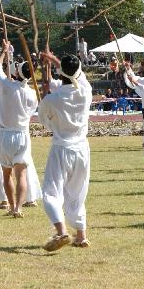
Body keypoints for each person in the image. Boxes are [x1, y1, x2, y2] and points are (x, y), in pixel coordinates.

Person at [37, 52, 92, 251]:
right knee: (77, 193)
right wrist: (54, 59)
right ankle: (81, 235)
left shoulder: (52, 99)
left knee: (51, 193)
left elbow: (44, 121)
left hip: (62, 147)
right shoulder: (85, 90)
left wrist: (45, 101)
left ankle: (61, 231)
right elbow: (77, 74)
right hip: (81, 148)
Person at [0, 39, 39, 218]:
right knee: (22, 174)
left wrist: (3, 51)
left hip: (4, 134)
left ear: (17, 73)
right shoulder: (32, 93)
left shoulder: (6, 86)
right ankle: (18, 207)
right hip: (21, 134)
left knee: (7, 173)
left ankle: (11, 206)